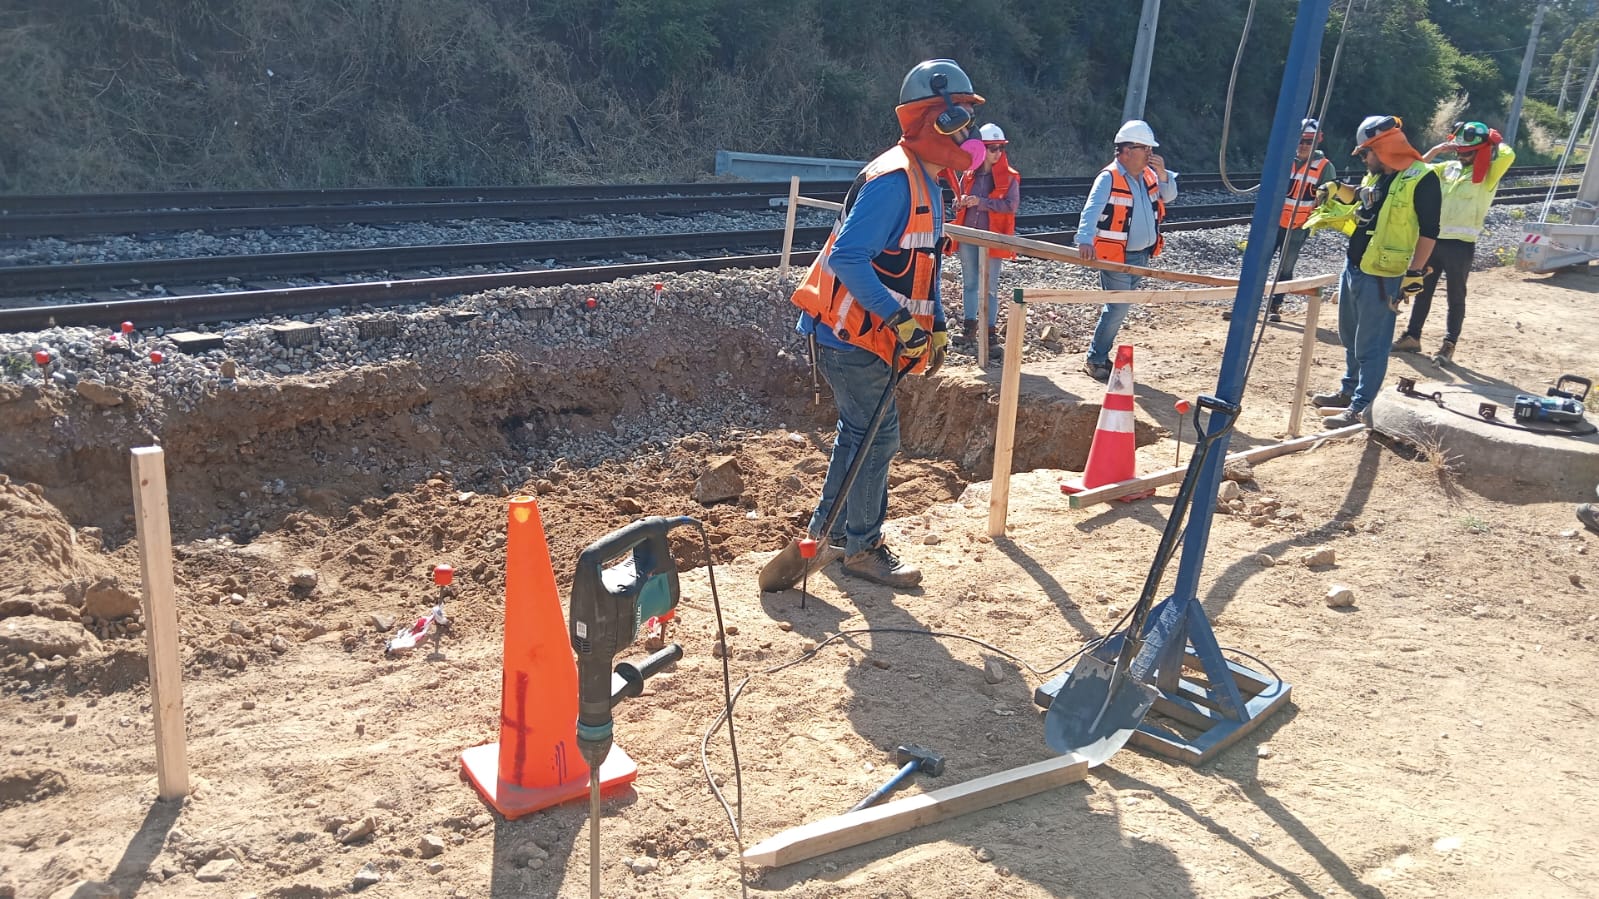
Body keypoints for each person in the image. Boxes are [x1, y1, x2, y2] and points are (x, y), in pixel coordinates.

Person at [789, 59, 984, 588]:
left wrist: (936, 320)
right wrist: (899, 319)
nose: (968, 135)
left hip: (868, 335)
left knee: (860, 436)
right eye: (959, 120)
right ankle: (862, 547)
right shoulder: (894, 181)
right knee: (876, 439)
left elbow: (923, 263)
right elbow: (849, 259)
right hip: (851, 335)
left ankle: (828, 537)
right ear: (932, 121)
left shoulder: (927, 182)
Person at [1311, 115, 1441, 429]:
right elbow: (1366, 200)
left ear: (1382, 149)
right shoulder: (1380, 174)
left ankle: (1361, 407)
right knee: (1351, 336)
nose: (1364, 159)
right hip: (1356, 266)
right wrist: (1338, 190)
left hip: (1384, 274)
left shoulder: (1422, 178)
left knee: (1372, 343)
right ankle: (1347, 391)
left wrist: (1414, 272)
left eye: (1366, 153)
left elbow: (1430, 231)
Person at [1391, 121, 1515, 362]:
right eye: (1459, 150)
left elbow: (1508, 155)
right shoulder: (1448, 168)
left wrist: (1495, 139)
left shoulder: (1488, 175)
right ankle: (1412, 337)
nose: (1462, 155)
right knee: (1422, 290)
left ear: (1479, 151)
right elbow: (1417, 167)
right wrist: (1437, 150)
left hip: (1460, 245)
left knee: (1455, 296)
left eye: (1467, 152)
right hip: (1433, 242)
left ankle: (1449, 344)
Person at [1076, 120, 1178, 381]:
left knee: (1120, 305)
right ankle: (1095, 358)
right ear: (1126, 150)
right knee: (1118, 307)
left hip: (1141, 254)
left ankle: (1099, 355)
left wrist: (1164, 174)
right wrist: (1085, 239)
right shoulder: (1108, 177)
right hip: (1115, 255)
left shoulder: (1149, 176)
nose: (1150, 154)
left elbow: (1169, 197)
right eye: (1145, 148)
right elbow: (1091, 210)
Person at [950, 122, 1020, 349]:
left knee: (990, 287)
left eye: (1000, 148)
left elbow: (1011, 205)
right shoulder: (968, 175)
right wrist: (959, 204)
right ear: (981, 149)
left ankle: (989, 334)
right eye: (992, 148)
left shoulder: (1010, 177)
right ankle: (969, 329)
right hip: (969, 236)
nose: (997, 152)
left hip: (993, 238)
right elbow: (959, 201)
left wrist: (981, 203)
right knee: (970, 283)